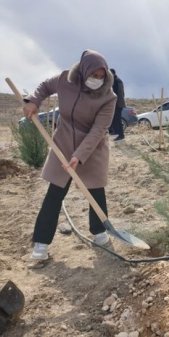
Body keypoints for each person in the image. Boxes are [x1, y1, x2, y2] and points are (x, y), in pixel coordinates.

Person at [22, 49, 117, 260]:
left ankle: (100, 233)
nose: (98, 80)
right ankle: (41, 245)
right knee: (55, 193)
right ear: (84, 71)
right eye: (94, 75)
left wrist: (79, 155)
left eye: (102, 77)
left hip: (92, 148)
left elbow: (98, 130)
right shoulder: (66, 79)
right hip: (63, 143)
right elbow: (45, 86)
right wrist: (33, 100)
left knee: (95, 192)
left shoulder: (108, 97)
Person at [109, 68, 126, 141]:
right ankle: (116, 133)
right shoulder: (118, 80)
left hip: (117, 104)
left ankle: (121, 135)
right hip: (119, 103)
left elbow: (116, 94)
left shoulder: (116, 81)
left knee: (117, 120)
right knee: (115, 119)